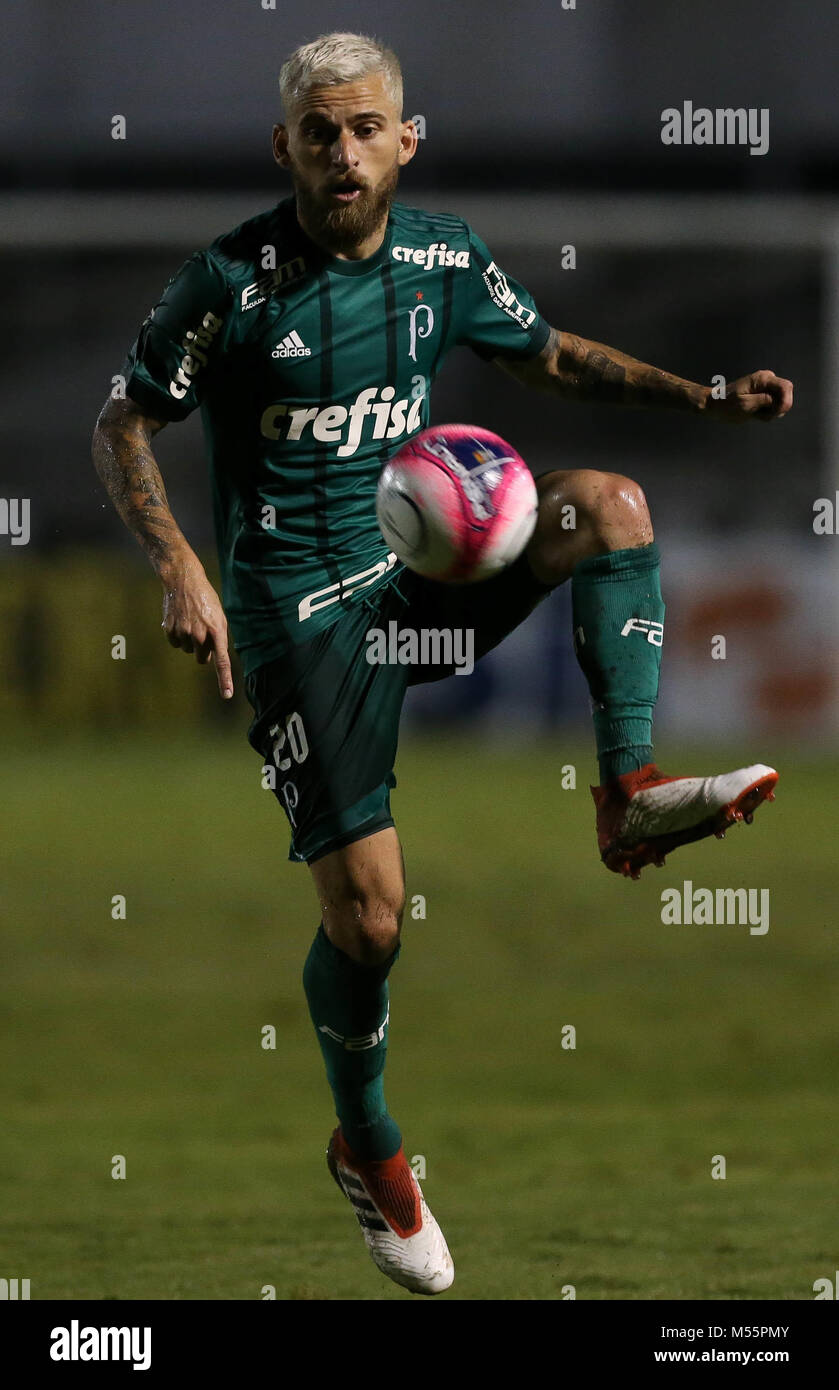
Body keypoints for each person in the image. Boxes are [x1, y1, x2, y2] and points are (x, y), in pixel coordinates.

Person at [92, 31, 792, 1296]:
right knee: (368, 919)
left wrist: (702, 395)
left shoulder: (443, 257)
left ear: (405, 141)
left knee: (609, 509)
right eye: (320, 132)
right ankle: (367, 1144)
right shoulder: (229, 283)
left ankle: (626, 795)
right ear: (284, 145)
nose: (344, 152)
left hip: (416, 581)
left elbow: (551, 355)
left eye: (366, 129)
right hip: (300, 626)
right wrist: (179, 565)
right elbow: (123, 419)